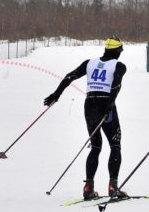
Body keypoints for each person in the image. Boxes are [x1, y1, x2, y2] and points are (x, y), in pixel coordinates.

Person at [43, 36, 127, 200]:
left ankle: (88, 187)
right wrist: (109, 104)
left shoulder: (89, 62)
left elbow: (70, 76)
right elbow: (116, 85)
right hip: (106, 105)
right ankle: (113, 186)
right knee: (115, 145)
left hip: (89, 106)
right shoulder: (119, 65)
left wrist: (56, 94)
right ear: (117, 51)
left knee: (96, 147)